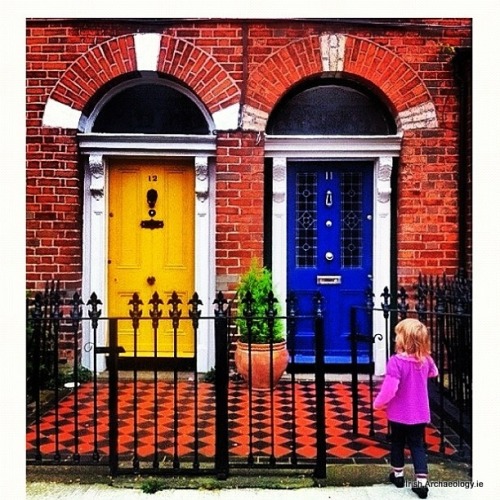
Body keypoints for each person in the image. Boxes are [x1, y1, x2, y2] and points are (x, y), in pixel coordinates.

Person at [374, 318, 438, 499]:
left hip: (399, 413)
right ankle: (421, 483)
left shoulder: (396, 362)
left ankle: (398, 475)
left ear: (405, 340)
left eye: (397, 335)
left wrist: (378, 403)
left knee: (397, 442)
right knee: (417, 445)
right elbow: (435, 373)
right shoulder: (426, 360)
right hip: (419, 412)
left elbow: (390, 389)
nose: (395, 339)